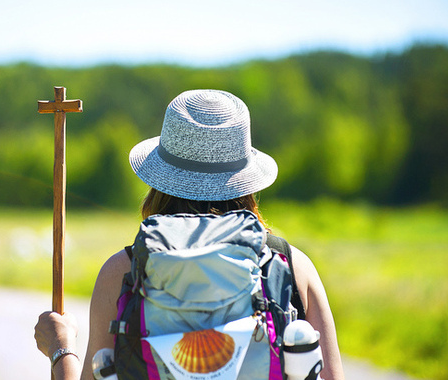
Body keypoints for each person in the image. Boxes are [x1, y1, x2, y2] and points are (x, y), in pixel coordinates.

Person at [35, 89, 345, 380]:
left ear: (160, 179)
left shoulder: (122, 271)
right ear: (245, 181)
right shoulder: (290, 265)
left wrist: (61, 347)